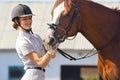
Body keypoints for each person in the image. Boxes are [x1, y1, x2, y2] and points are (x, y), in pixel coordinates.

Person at [11, 4, 57, 80]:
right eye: (24, 19)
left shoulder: (36, 37)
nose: (28, 21)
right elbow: (40, 62)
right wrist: (50, 51)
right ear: (17, 21)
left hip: (40, 75)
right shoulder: (22, 41)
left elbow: (52, 56)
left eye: (30, 18)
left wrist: (53, 45)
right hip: (32, 76)